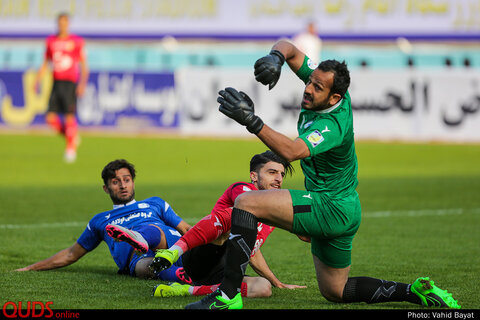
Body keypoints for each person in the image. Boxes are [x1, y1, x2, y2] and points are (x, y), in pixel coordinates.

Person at [184, 39, 462, 309]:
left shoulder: (332, 125)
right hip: (344, 207)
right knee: (335, 290)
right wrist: (276, 58)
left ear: (335, 97)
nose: (308, 88)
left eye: (317, 87)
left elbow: (291, 151)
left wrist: (251, 121)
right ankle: (415, 293)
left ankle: (227, 296)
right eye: (309, 81)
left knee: (246, 203)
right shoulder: (326, 88)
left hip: (329, 206)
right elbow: (289, 48)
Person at [148, 151, 305, 298]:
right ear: (254, 176)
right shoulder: (242, 189)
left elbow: (252, 250)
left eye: (281, 174)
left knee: (263, 287)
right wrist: (289, 217)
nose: (279, 179)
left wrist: (277, 283)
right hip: (201, 256)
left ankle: (185, 289)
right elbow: (241, 218)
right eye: (272, 173)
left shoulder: (272, 212)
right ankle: (173, 252)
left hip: (223, 269)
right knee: (238, 213)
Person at [15, 159, 191, 283]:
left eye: (126, 180)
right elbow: (70, 254)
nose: (122, 185)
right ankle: (185, 276)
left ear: (133, 183)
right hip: (139, 258)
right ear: (106, 189)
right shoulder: (99, 221)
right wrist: (31, 268)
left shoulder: (154, 203)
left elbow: (185, 228)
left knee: (152, 230)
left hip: (171, 243)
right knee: (144, 269)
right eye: (116, 182)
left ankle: (139, 237)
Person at [34, 12, 89, 163]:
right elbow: (46, 62)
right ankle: (71, 136)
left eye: (65, 22)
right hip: (56, 82)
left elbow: (84, 65)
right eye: (60, 23)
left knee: (69, 116)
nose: (62, 25)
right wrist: (37, 80)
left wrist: (82, 83)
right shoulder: (51, 41)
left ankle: (70, 149)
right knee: (50, 118)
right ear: (57, 24)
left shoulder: (77, 42)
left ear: (68, 24)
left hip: (70, 82)